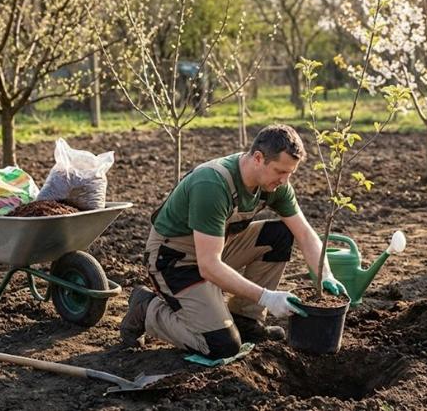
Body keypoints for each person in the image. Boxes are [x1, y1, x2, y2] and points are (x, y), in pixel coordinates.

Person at [119, 124, 347, 359]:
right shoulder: (212, 184)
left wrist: (325, 274)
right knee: (221, 346)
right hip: (175, 260)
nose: (285, 180)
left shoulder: (273, 184)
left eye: (290, 173)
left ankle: (245, 319)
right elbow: (208, 266)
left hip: (214, 248)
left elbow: (305, 233)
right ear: (258, 158)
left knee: (280, 234)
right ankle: (147, 309)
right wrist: (266, 296)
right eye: (280, 171)